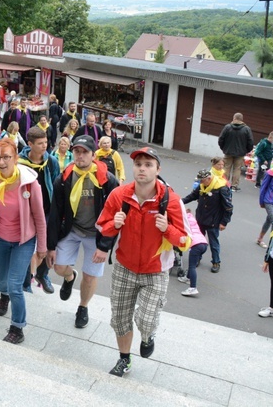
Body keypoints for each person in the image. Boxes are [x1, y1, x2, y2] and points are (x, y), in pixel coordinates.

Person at [94, 147, 189, 377]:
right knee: (119, 319)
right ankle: (124, 360)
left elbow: (186, 240)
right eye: (138, 164)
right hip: (124, 268)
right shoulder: (119, 195)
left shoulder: (172, 200)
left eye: (148, 164)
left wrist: (167, 230)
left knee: (145, 320)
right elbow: (101, 227)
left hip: (155, 270)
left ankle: (148, 336)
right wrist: (114, 225)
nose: (142, 169)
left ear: (158, 169)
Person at [0, 138, 47, 345]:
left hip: (23, 241)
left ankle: (18, 327)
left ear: (16, 158)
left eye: (7, 157)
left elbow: (40, 218)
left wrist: (41, 247)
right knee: (0, 280)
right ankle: (3, 294)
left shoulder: (30, 183)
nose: (1, 162)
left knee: (16, 285)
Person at [47, 135, 119, 329]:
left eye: (84, 152)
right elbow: (55, 214)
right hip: (71, 230)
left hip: (96, 235)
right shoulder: (64, 179)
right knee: (59, 268)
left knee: (90, 276)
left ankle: (83, 307)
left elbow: (116, 216)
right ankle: (70, 277)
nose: (80, 156)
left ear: (93, 155)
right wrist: (51, 246)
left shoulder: (107, 180)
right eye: (76, 151)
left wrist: (105, 246)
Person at [18, 126, 60, 294]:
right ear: (30, 144)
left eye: (46, 142)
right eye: (40, 143)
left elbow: (57, 184)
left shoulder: (51, 161)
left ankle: (43, 274)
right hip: (26, 211)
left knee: (47, 245)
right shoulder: (20, 163)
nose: (45, 146)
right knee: (25, 245)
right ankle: (26, 279)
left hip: (47, 210)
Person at [181, 169, 233, 274]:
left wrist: (224, 222)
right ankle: (197, 258)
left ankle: (216, 262)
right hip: (201, 219)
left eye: (202, 180)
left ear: (209, 179)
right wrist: (179, 202)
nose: (200, 183)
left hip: (214, 220)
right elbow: (192, 196)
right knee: (198, 241)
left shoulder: (221, 188)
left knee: (213, 243)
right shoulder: (202, 186)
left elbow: (228, 207)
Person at [217, 112, 254, 192]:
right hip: (240, 153)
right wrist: (246, 150)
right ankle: (234, 186)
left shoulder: (227, 127)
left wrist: (224, 148)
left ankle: (224, 184)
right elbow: (250, 142)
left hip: (228, 152)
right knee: (237, 169)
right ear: (242, 119)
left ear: (234, 118)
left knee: (226, 167)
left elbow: (221, 139)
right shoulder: (247, 129)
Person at [177, 208, 209, 297]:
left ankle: (193, 287)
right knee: (193, 264)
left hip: (196, 244)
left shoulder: (184, 221)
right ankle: (187, 277)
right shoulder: (192, 220)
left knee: (192, 266)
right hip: (203, 243)